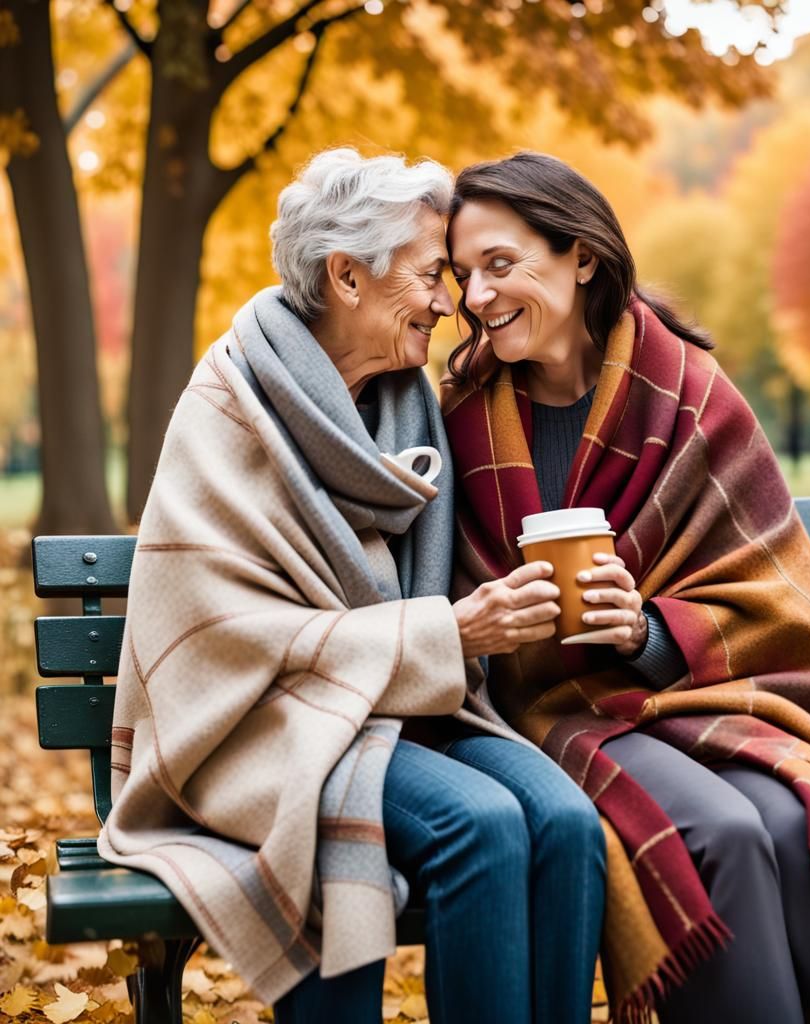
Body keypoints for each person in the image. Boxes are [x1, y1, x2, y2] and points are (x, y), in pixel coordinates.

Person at [442, 151, 810, 1024]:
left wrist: (645, 630)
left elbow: (772, 591)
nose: (476, 296)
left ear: (581, 255)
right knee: (727, 832)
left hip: (707, 693)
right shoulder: (463, 416)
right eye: (462, 273)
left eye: (500, 265)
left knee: (792, 823)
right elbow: (458, 609)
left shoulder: (689, 394)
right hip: (549, 710)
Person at [97, 149, 605, 1024]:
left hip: (400, 707)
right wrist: (448, 634)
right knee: (478, 828)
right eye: (429, 275)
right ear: (347, 277)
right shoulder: (231, 402)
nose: (452, 303)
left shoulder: (406, 404)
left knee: (565, 822)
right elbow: (220, 635)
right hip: (263, 724)